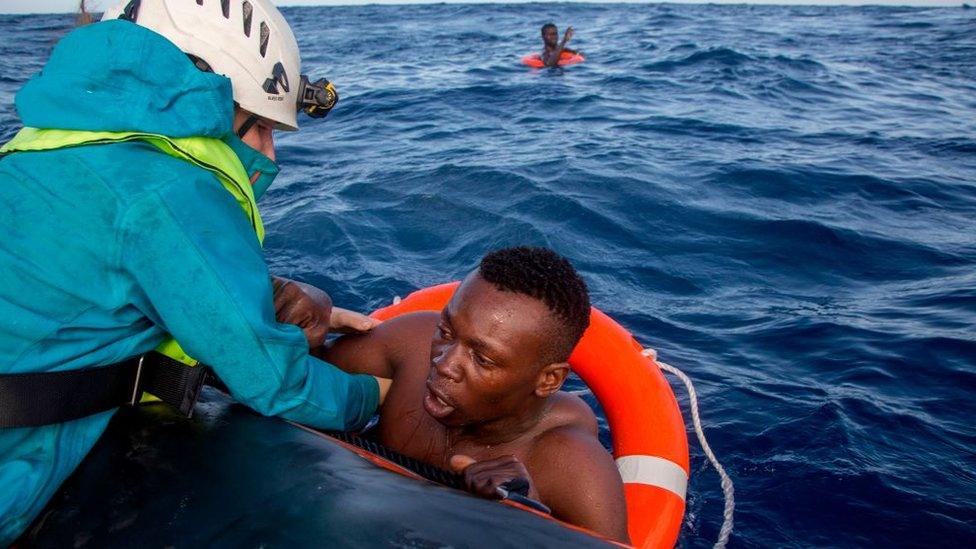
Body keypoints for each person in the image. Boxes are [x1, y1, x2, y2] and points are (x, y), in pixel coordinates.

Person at [0, 0, 390, 543]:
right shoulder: (172, 187)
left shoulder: (41, 146)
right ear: (217, 104)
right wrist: (376, 395)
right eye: (262, 130)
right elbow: (274, 384)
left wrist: (264, 292)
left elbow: (82, 261)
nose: (270, 154)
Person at [318, 247, 630, 543]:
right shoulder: (410, 343)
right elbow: (294, 379)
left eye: (483, 360)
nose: (444, 364)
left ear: (549, 380)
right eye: (446, 332)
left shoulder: (571, 467)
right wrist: (294, 312)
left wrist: (528, 518)